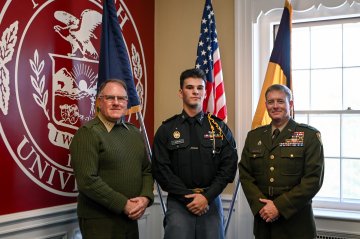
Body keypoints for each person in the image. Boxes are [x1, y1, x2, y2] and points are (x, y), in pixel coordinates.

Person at [152, 68, 238, 239]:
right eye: (190, 87)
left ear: (205, 93)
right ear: (180, 92)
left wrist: (206, 197)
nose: (195, 92)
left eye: (200, 88)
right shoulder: (167, 129)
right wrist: (188, 198)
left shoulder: (219, 128)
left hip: (211, 201)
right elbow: (161, 170)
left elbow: (229, 167)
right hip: (178, 202)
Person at [70, 79, 154, 239]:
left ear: (127, 103)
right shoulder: (88, 133)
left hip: (130, 218)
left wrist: (145, 198)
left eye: (121, 98)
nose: (116, 103)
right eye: (110, 98)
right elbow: (88, 180)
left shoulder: (134, 133)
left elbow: (147, 170)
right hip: (100, 221)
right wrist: (124, 204)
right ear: (99, 102)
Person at [238, 84, 324, 239]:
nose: (275, 106)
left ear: (290, 104)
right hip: (264, 223)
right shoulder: (254, 137)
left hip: (296, 225)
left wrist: (278, 206)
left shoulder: (309, 136)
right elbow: (245, 175)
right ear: (266, 105)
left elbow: (313, 180)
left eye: (280, 101)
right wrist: (261, 207)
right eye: (271, 102)